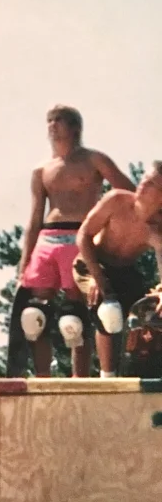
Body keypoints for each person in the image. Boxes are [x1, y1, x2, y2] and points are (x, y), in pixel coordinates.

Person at [16, 105, 134, 377]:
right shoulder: (41, 170)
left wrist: (111, 235)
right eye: (49, 121)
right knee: (33, 317)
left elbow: (128, 194)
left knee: (75, 317)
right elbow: (34, 218)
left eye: (59, 121)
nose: (52, 126)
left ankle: (78, 379)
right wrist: (24, 260)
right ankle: (42, 379)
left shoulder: (94, 160)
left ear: (75, 128)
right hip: (47, 238)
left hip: (80, 236)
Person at [72, 161, 162, 377]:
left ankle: (140, 372)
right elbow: (83, 235)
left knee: (149, 315)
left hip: (125, 271)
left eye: (151, 184)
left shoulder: (156, 228)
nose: (142, 184)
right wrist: (97, 277)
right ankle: (107, 376)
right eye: (144, 179)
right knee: (109, 310)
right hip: (91, 262)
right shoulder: (116, 201)